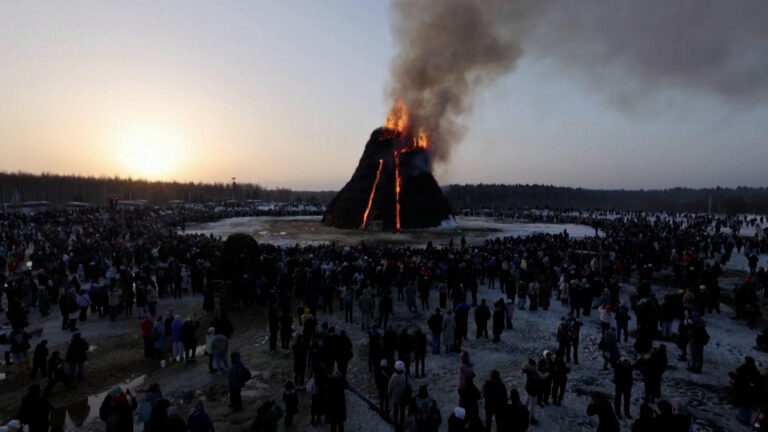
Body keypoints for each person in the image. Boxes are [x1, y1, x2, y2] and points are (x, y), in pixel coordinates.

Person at [730, 356, 763, 425]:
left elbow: (740, 378)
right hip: (752, 392)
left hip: (745, 391)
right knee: (748, 406)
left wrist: (733, 377)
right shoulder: (755, 370)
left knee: (743, 405)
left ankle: (741, 418)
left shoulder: (745, 368)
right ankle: (747, 419)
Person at [388, 360, 409, 431]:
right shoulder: (404, 376)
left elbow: (390, 387)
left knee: (396, 411)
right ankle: (401, 424)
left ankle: (396, 424)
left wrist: (389, 394)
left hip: (395, 397)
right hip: (403, 396)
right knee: (402, 411)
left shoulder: (393, 377)